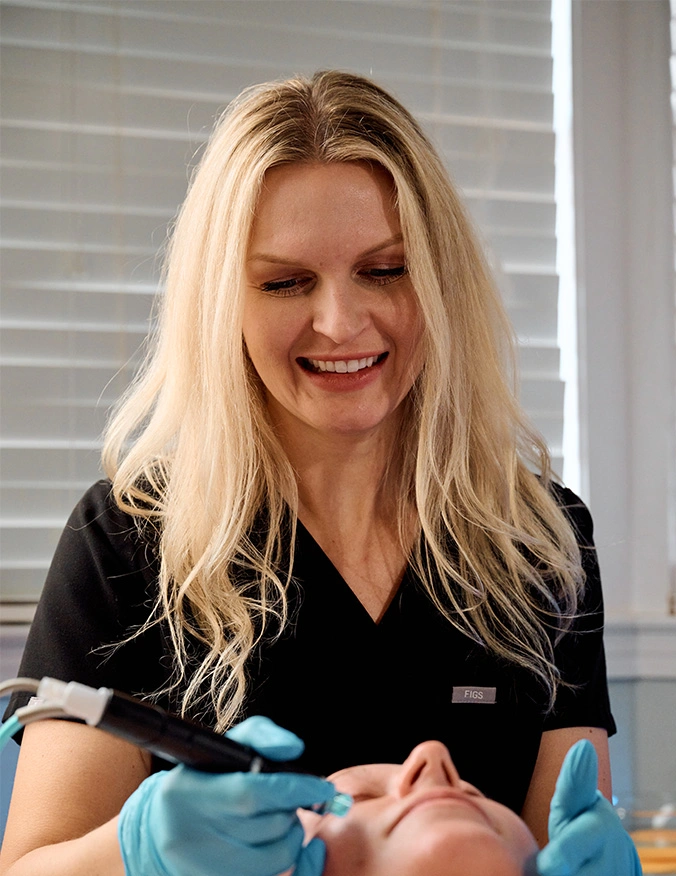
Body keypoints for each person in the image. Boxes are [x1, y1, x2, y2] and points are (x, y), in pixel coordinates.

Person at [0, 70, 617, 875]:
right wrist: (133, 850)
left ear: (440, 278)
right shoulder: (128, 542)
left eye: (386, 269)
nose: (340, 322)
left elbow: (559, 835)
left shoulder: (537, 540)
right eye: (286, 282)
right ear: (225, 301)